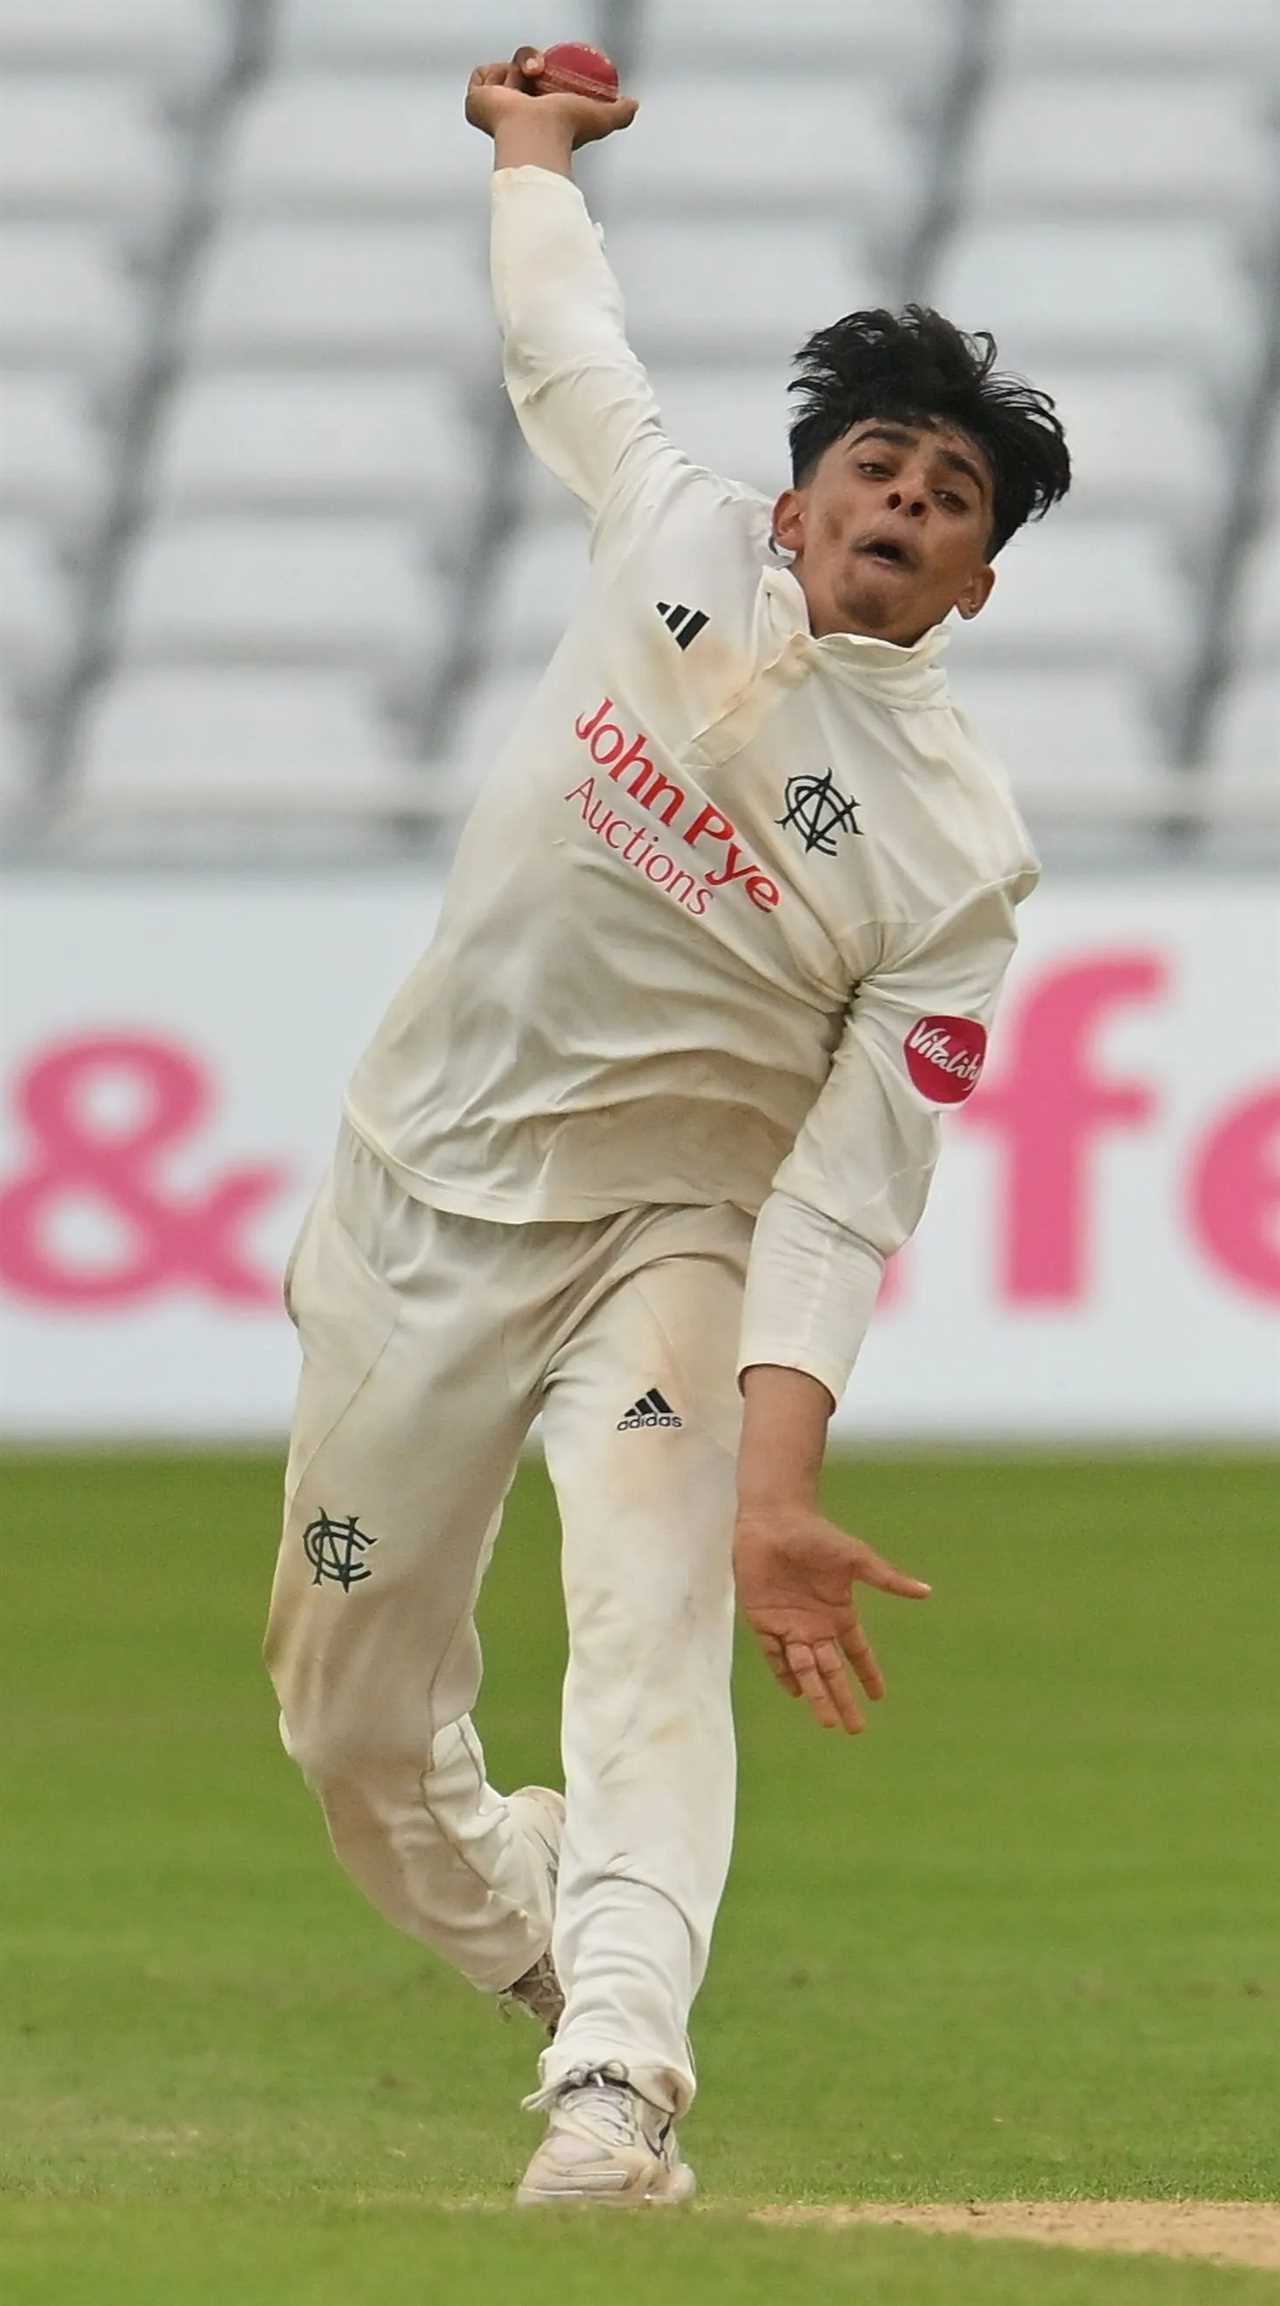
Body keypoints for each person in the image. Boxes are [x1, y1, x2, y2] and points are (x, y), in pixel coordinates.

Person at [264, 50, 1071, 2209]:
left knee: (644, 1633)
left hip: (669, 1255)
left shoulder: (956, 856)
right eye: (878, 466)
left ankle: (617, 2079)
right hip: (416, 1209)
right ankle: (552, 1944)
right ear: (797, 495)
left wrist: (781, 1477)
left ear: (974, 584)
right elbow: (563, 333)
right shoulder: (672, 528)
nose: (906, 503)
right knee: (349, 1721)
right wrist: (530, 150)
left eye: (952, 502)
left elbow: (849, 1190)